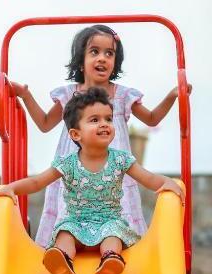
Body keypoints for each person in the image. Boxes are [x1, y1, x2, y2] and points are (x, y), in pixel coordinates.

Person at [10, 24, 191, 248]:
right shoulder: (69, 95)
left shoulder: (123, 95)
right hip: (76, 170)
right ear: (81, 60)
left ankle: (114, 248)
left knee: (117, 210)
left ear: (116, 61)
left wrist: (173, 95)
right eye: (94, 51)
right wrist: (26, 96)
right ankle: (65, 249)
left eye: (109, 53)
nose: (102, 58)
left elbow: (152, 119)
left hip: (111, 171)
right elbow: (45, 123)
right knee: (70, 212)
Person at [0, 87, 184, 274]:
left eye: (108, 119)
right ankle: (62, 262)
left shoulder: (121, 160)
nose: (104, 124)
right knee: (65, 233)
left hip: (108, 221)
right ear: (75, 134)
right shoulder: (67, 163)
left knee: (113, 233)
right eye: (94, 120)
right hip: (76, 222)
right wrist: (11, 188)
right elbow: (37, 182)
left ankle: (110, 259)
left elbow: (148, 178)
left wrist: (167, 182)